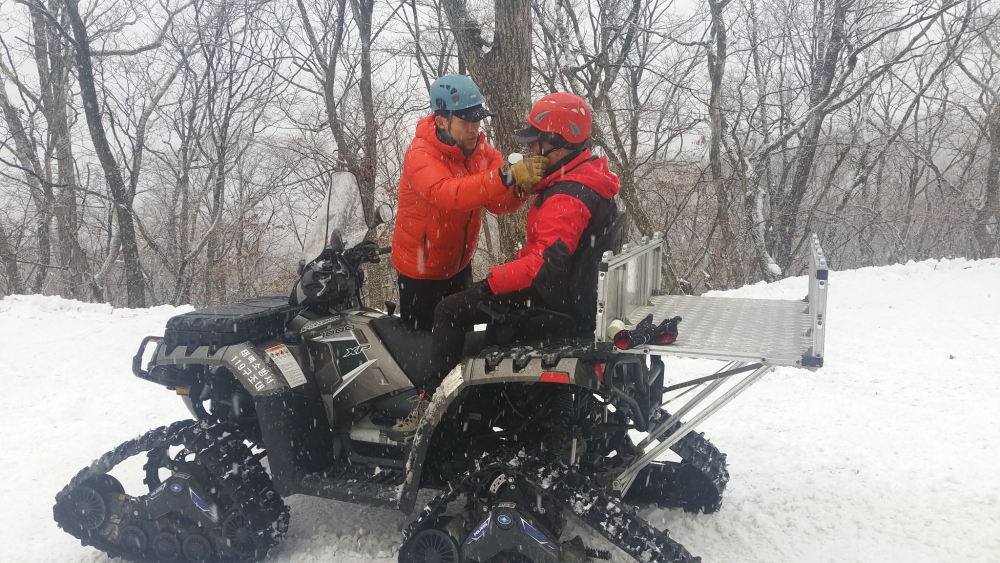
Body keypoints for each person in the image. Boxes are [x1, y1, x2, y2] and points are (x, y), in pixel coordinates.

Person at [390, 92, 620, 440]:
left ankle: (431, 406)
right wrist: (514, 182)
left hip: (546, 294)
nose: (530, 151)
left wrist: (493, 281)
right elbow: (453, 193)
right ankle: (464, 395)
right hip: (560, 291)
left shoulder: (566, 197)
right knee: (455, 318)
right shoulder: (588, 175)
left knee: (449, 312)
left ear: (556, 146)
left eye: (536, 143)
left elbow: (541, 264)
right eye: (466, 120)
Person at [391, 74, 547, 331]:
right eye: (466, 121)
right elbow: (449, 195)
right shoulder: (420, 154)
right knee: (423, 350)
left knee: (459, 341)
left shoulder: (482, 153)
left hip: (459, 266)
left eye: (478, 119)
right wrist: (507, 176)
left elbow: (498, 204)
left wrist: (520, 188)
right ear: (442, 120)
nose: (475, 128)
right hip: (420, 273)